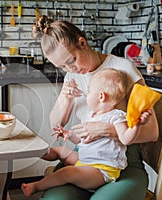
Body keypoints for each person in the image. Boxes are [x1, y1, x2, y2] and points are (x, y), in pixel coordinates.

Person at [32, 16, 159, 200]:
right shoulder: (72, 76)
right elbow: (55, 124)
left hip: (123, 162)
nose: (71, 69)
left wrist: (108, 130)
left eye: (72, 60)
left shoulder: (122, 69)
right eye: (63, 67)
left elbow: (152, 132)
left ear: (82, 42)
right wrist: (65, 101)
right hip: (84, 156)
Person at [21, 68, 153, 197]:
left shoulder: (116, 117)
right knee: (60, 151)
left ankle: (37, 186)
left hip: (101, 170)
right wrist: (69, 135)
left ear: (101, 96)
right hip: (85, 160)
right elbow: (82, 140)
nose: (86, 94)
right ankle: (37, 151)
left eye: (89, 91)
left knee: (66, 173)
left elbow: (125, 139)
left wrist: (136, 125)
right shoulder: (91, 115)